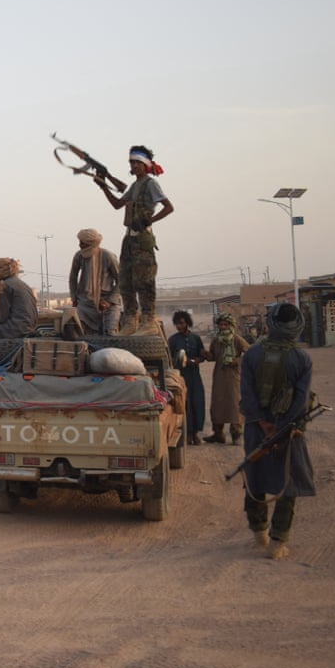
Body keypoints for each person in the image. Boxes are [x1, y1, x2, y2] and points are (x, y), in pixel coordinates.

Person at [239, 302, 315, 560]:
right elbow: (302, 401)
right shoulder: (302, 358)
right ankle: (278, 542)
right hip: (288, 431)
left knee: (254, 475)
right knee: (287, 483)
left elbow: (247, 395)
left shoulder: (252, 354)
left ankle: (258, 531)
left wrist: (262, 423)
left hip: (255, 428)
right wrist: (281, 427)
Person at [93, 144, 174, 336]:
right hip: (129, 239)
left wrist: (149, 220)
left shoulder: (150, 183)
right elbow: (117, 204)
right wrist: (103, 185)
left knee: (144, 282)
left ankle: (148, 321)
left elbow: (169, 207)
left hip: (142, 238)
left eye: (137, 162)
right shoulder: (134, 186)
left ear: (145, 164)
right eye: (131, 162)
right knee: (126, 282)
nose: (134, 165)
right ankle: (130, 321)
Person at [205, 311, 250, 444]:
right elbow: (213, 357)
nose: (223, 327)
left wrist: (236, 361)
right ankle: (218, 434)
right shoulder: (216, 340)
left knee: (234, 405)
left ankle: (236, 435)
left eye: (225, 324)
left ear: (231, 325)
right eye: (221, 325)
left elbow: (249, 354)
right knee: (218, 404)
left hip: (233, 377)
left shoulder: (237, 339)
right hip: (219, 377)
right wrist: (206, 355)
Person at [67, 228, 122, 335]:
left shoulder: (108, 256)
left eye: (82, 243)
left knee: (110, 333)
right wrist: (74, 298)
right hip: (84, 303)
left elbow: (122, 281)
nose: (80, 245)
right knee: (78, 332)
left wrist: (109, 301)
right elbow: (72, 278)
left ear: (90, 243)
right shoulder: (79, 256)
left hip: (108, 302)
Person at [168, 310, 207, 444]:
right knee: (184, 404)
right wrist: (179, 362)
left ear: (187, 323)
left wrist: (197, 360)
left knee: (197, 402)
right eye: (177, 324)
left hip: (195, 375)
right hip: (181, 376)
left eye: (182, 323)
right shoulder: (173, 340)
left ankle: (195, 433)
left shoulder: (196, 338)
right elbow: (169, 359)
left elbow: (202, 356)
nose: (179, 326)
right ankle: (187, 434)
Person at [0, 258, 37, 339]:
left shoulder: (4, 285)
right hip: (28, 327)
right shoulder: (22, 284)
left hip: (14, 329)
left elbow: (2, 317)